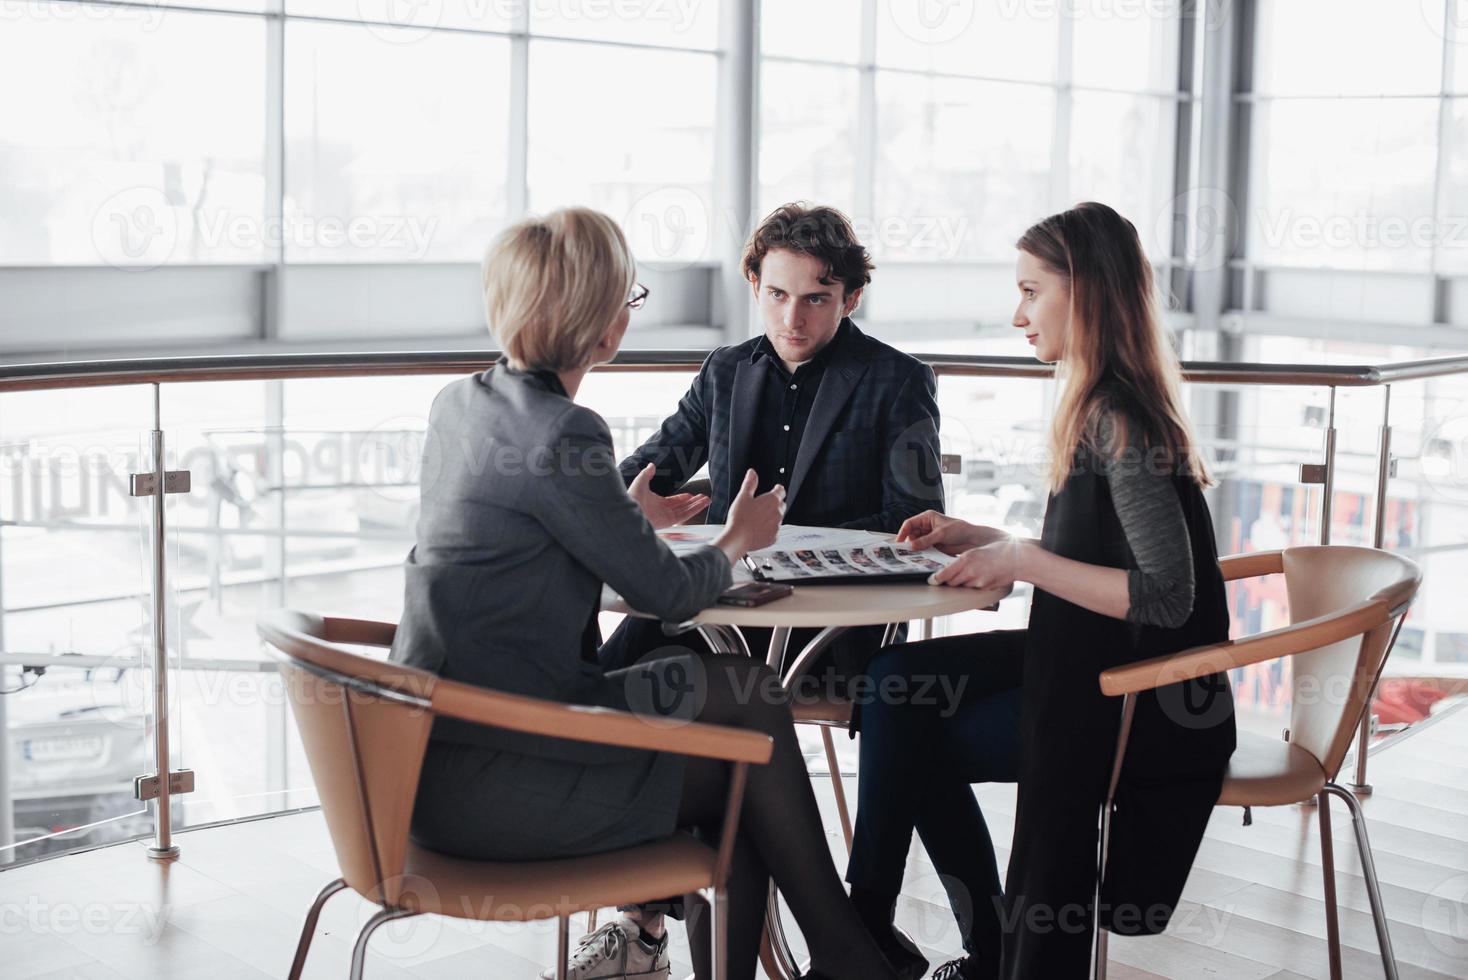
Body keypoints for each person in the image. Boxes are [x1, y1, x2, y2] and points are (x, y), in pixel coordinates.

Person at [388, 207, 902, 980]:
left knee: (747, 693)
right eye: (629, 299)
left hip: (423, 763)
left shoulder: (460, 405)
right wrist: (738, 537)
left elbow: (520, 542)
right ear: (603, 325)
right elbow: (669, 595)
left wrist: (623, 515)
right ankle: (850, 957)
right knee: (743, 764)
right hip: (500, 777)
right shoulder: (568, 431)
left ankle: (843, 956)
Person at [844, 202, 1237, 979]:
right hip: (1084, 656)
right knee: (892, 683)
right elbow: (1086, 558)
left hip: (1139, 696)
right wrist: (978, 538)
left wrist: (1021, 559)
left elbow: (1166, 597)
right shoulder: (1095, 404)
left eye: (1032, 291)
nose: (1018, 314)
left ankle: (906, 946)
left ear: (1084, 293)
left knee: (908, 731)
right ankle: (871, 932)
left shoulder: (1121, 420)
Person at [588, 202, 944, 975]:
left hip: (831, 633)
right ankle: (662, 918)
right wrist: (636, 499)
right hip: (724, 618)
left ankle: (643, 921)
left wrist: (787, 536)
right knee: (631, 669)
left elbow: (915, 522)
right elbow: (644, 471)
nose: (795, 316)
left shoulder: (897, 380)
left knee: (662, 680)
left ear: (849, 297)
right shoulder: (725, 371)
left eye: (817, 298)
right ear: (755, 285)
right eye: (778, 295)